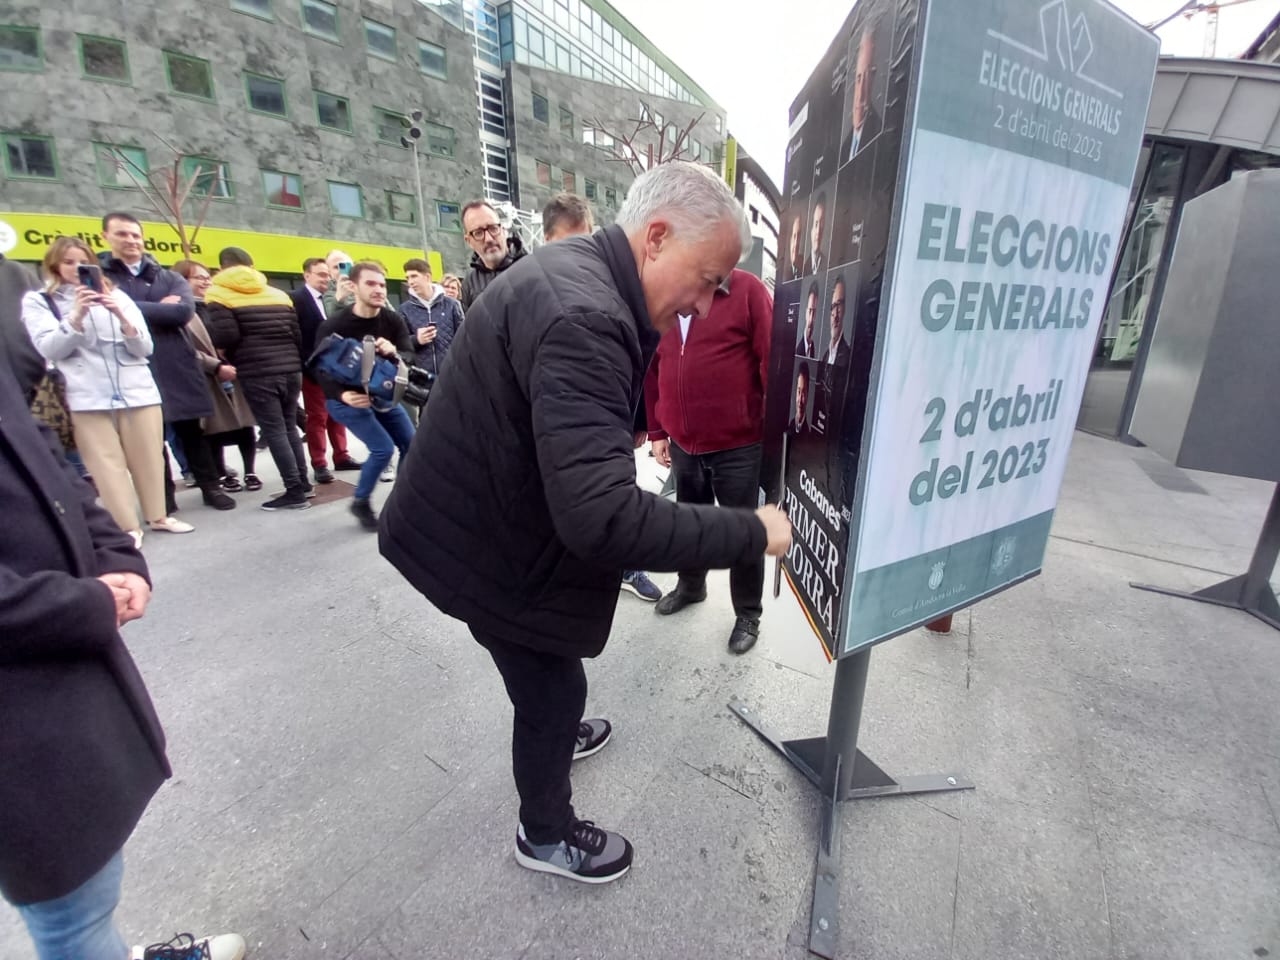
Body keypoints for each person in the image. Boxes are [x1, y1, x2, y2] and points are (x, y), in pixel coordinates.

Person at [379, 161, 792, 884]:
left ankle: (556, 737)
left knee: (548, 682)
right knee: (552, 687)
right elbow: (602, 519)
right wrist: (752, 531)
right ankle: (544, 833)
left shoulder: (576, 271)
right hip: (479, 540)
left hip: (484, 509)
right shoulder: (587, 315)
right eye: (709, 276)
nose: (705, 301)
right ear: (656, 237)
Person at [0, 328, 245, 960]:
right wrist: (88, 602)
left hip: (58, 674)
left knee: (84, 893)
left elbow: (56, 469)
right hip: (22, 691)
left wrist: (121, 560)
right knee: (68, 914)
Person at [22, 236, 191, 547]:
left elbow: (144, 347)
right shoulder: (41, 300)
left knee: (149, 456)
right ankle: (126, 527)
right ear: (55, 265)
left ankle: (159, 516)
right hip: (85, 393)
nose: (76, 268)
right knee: (105, 463)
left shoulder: (118, 296)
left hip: (135, 388)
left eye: (82, 262)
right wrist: (76, 315)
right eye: (68, 262)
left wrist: (121, 316)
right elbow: (50, 348)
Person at [542, 194, 663, 605]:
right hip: (550, 421)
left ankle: (627, 567)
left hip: (609, 420)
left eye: (585, 241)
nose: (580, 253)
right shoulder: (523, 280)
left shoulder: (608, 282)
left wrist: (640, 419)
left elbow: (638, 354)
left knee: (615, 492)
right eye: (568, 243)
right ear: (546, 240)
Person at [646, 267, 774, 654]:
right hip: (684, 444)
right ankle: (691, 585)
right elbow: (653, 371)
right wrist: (657, 432)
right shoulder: (665, 294)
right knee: (690, 525)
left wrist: (775, 436)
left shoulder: (747, 290)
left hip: (739, 445)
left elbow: (772, 362)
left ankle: (748, 612)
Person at [97, 212, 234, 514]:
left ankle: (211, 487)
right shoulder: (103, 277)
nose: (131, 240)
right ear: (106, 236)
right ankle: (162, 497)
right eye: (122, 234)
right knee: (149, 440)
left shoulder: (167, 276)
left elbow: (182, 313)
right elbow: (103, 311)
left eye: (135, 235)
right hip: (132, 364)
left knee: (192, 432)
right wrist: (152, 308)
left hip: (176, 362)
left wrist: (127, 308)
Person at [205, 247, 313, 511]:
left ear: (222, 268)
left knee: (274, 429)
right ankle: (304, 483)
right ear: (251, 265)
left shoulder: (218, 293)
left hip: (258, 372)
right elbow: (296, 334)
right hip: (290, 369)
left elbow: (226, 336)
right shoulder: (278, 294)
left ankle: (294, 491)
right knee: (289, 426)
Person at [313, 261, 415, 530]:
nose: (379, 289)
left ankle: (405, 500)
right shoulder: (336, 324)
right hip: (347, 400)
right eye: (371, 283)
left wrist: (395, 352)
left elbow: (409, 354)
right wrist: (343, 394)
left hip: (382, 396)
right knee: (382, 449)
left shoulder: (391, 320)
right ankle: (360, 502)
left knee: (411, 443)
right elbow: (318, 369)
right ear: (353, 286)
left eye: (382, 284)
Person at [173, 260, 261, 494]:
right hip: (205, 376)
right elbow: (182, 348)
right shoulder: (180, 310)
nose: (205, 281)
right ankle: (222, 474)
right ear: (182, 281)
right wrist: (215, 365)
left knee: (244, 424)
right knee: (214, 428)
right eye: (197, 277)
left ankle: (250, 471)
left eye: (206, 277)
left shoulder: (218, 304)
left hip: (234, 373)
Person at [290, 257, 359, 483]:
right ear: (306, 275)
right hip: (313, 369)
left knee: (338, 414)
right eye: (320, 274)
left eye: (327, 274)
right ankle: (319, 463)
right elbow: (296, 335)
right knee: (317, 417)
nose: (325, 279)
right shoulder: (297, 300)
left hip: (338, 368)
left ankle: (341, 456)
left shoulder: (335, 297)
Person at [400, 257, 464, 382]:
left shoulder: (452, 305)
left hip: (452, 374)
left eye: (414, 276)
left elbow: (464, 337)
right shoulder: (404, 309)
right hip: (422, 378)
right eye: (407, 278)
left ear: (427, 277)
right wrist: (416, 340)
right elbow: (400, 345)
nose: (410, 282)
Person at [459, 200, 526, 310]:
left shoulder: (531, 268)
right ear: (468, 241)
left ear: (503, 230)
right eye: (478, 233)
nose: (489, 239)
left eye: (493, 228)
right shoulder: (469, 284)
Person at [841, 25, 881, 164]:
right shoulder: (843, 151)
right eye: (858, 79)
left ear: (874, 77)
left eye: (867, 77)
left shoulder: (880, 138)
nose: (860, 95)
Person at [823, 277, 851, 369]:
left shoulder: (849, 357)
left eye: (839, 306)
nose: (835, 315)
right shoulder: (825, 357)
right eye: (833, 306)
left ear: (845, 308)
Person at [322, 249, 356, 316]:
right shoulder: (327, 293)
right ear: (329, 272)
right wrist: (339, 299)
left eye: (345, 266)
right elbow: (332, 318)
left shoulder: (365, 286)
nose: (341, 271)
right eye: (336, 267)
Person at [788, 363, 813, 438]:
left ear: (808, 394)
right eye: (798, 391)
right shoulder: (789, 425)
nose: (799, 399)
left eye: (803, 393)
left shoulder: (809, 434)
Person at [805, 196, 827, 276]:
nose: (818, 231)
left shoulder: (827, 264)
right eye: (816, 224)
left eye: (821, 225)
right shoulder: (802, 268)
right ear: (811, 228)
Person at [799, 284, 820, 357]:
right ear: (806, 312)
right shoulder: (797, 350)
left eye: (814, 312)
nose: (811, 319)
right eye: (810, 311)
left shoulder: (812, 346)